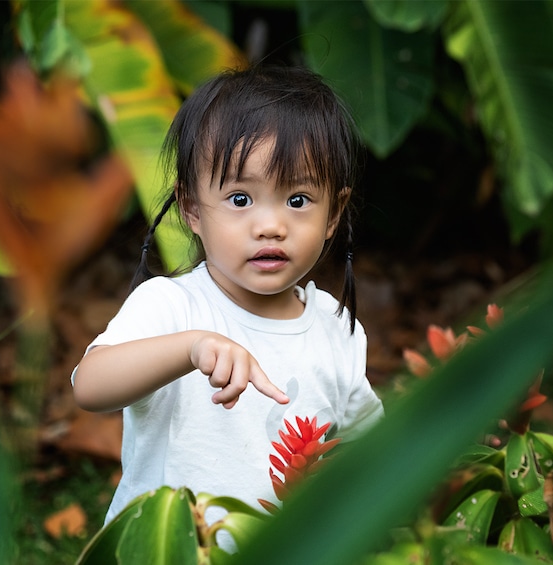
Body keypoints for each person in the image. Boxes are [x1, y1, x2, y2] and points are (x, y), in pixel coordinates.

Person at [72, 65, 384, 537]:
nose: (270, 225)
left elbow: (372, 450)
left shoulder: (336, 329)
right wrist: (190, 348)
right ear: (192, 208)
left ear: (333, 214)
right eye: (240, 199)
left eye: (298, 200)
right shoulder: (172, 307)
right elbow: (90, 387)